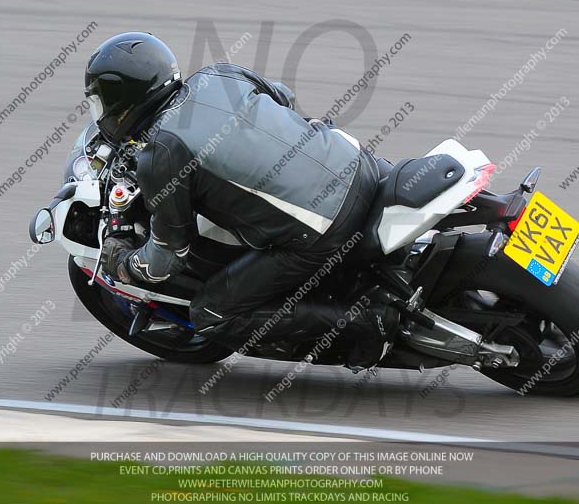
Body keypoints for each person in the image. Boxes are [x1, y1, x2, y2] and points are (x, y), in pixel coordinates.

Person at [87, 32, 398, 370]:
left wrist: (124, 263)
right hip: (358, 164)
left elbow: (166, 258)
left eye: (98, 103)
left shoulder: (160, 155)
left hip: (323, 228)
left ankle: (367, 321)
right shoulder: (218, 75)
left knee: (211, 314)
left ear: (123, 102)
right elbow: (284, 98)